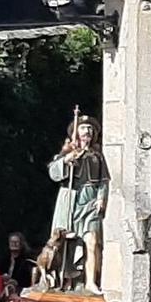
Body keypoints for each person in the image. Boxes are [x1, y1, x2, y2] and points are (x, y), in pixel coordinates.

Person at [49, 111, 109, 289]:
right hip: (70, 200)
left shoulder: (97, 156)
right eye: (83, 128)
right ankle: (63, 279)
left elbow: (104, 181)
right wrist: (67, 161)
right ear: (76, 132)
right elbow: (54, 173)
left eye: (90, 128)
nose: (87, 131)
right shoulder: (67, 153)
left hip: (90, 202)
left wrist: (101, 199)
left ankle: (90, 282)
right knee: (65, 240)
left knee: (92, 241)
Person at [1, 231, 38, 296]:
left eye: (16, 242)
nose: (14, 244)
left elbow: (31, 279)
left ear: (21, 244)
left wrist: (16, 282)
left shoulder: (27, 261)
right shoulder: (4, 259)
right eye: (12, 242)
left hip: (22, 292)